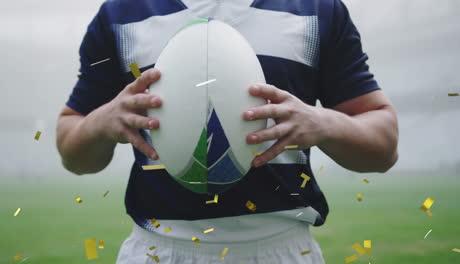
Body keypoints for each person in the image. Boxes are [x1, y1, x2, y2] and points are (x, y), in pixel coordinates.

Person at [56, 0, 399, 263]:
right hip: (159, 251)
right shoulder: (122, 13)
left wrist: (323, 123)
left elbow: (384, 145)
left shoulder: (316, 9)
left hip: (281, 250)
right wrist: (101, 123)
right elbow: (71, 148)